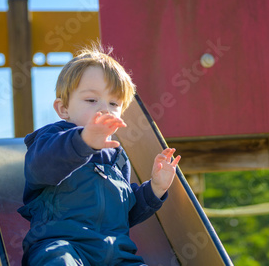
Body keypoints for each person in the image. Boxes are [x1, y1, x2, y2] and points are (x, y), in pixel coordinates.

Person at [18, 45, 181, 266]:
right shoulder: (52, 138)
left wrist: (155, 189)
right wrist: (83, 142)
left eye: (114, 103)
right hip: (63, 244)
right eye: (91, 100)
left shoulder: (118, 158)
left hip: (115, 254)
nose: (104, 109)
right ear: (63, 108)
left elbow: (123, 212)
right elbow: (40, 168)